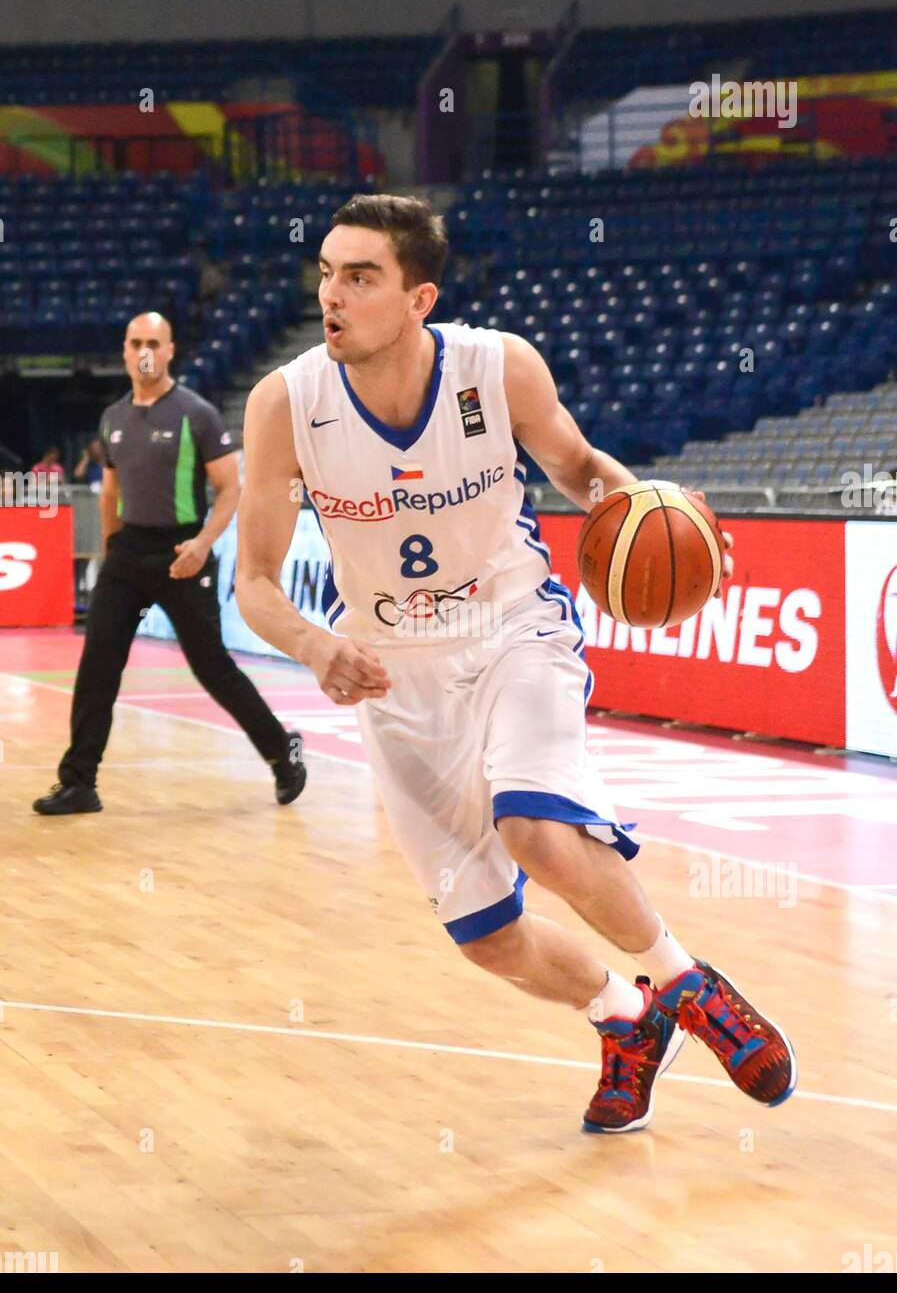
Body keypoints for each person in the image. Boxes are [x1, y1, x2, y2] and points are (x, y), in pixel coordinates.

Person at [235, 195, 797, 1132]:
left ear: (419, 299)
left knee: (535, 828)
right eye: (326, 273)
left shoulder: (497, 368)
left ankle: (685, 982)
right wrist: (314, 643)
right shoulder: (286, 403)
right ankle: (625, 1018)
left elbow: (578, 468)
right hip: (391, 670)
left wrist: (657, 510)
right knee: (488, 941)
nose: (331, 294)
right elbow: (254, 579)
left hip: (512, 629)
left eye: (359, 276)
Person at [33, 310, 305, 816]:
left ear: (170, 350)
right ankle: (78, 783)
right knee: (97, 667)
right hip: (128, 553)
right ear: (124, 350)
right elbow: (111, 488)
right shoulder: (113, 416)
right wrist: (114, 546)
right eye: (136, 341)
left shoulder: (195, 413)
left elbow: (230, 488)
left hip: (184, 552)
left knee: (212, 668)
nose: (144, 351)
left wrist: (203, 544)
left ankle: (283, 756)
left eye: (154, 342)